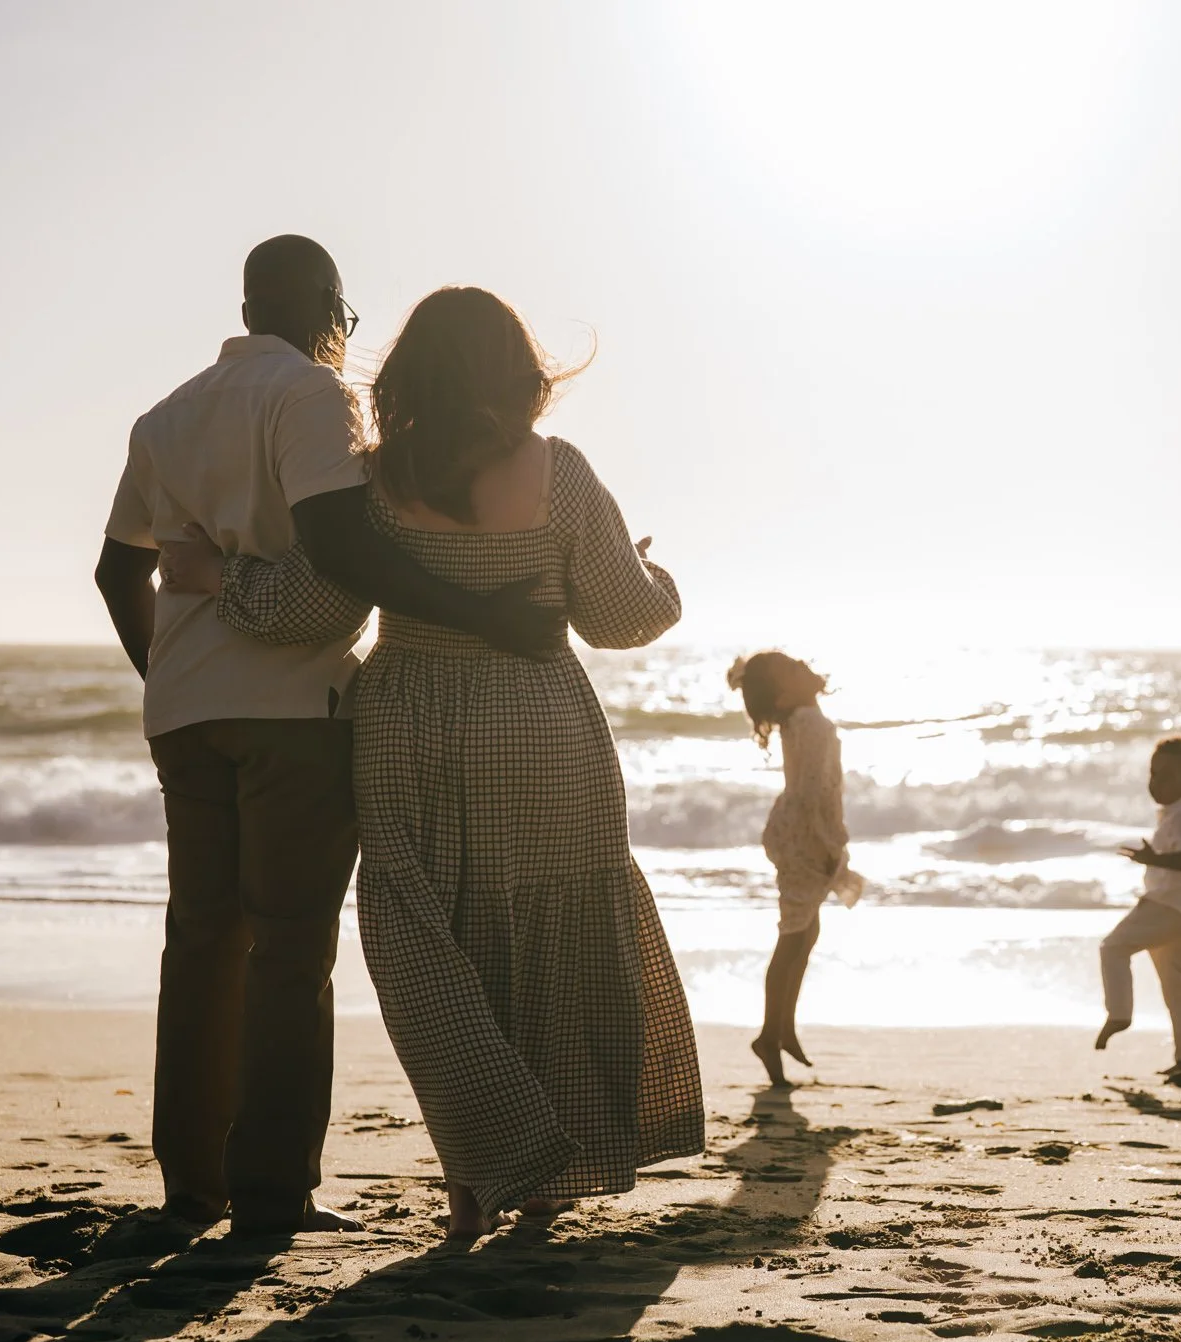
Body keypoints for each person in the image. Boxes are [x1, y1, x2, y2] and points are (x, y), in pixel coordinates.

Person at [159, 285, 704, 1239]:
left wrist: (219, 575)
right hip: (541, 727)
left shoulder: (374, 482)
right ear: (519, 373)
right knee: (550, 938)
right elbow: (623, 617)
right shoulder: (561, 472)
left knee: (433, 953)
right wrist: (655, 571)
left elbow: (309, 610)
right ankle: (543, 1173)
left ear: (410, 374)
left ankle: (477, 1175)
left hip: (408, 725)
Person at [95, 236, 556, 1237]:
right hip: (294, 712)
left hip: (186, 713)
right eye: (344, 317)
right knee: (289, 951)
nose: (345, 335)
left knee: (201, 942)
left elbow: (115, 570)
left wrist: (168, 673)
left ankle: (191, 1186)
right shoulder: (310, 394)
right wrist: (486, 614)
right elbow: (345, 550)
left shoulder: (163, 416)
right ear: (319, 307)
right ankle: (273, 1193)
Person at [726, 652, 864, 1086]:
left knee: (805, 931)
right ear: (783, 695)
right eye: (790, 669)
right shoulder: (809, 722)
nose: (802, 666)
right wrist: (829, 844)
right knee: (793, 935)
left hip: (799, 831)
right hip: (805, 836)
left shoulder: (803, 719)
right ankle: (770, 1035)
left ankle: (783, 1028)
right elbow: (810, 793)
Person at [1093, 736, 1181, 1087]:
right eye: (1154, 773)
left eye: (1167, 775)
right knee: (1175, 989)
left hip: (1168, 907)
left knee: (1113, 948)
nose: (1156, 782)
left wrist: (1152, 859)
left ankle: (1119, 1014)